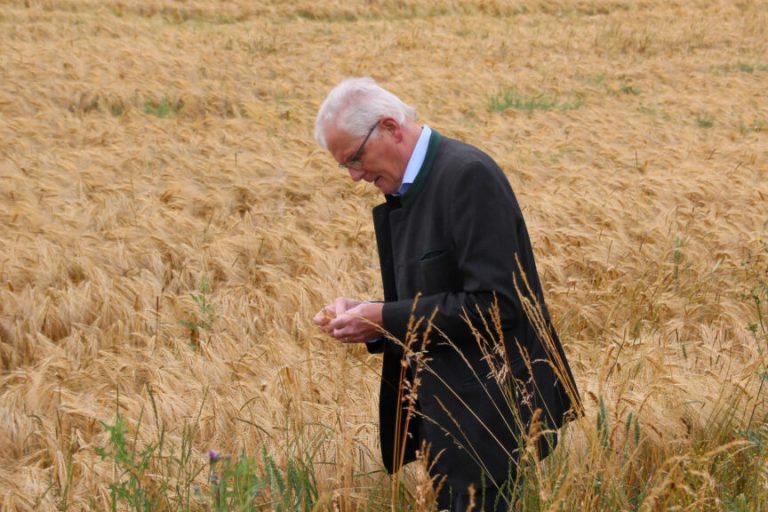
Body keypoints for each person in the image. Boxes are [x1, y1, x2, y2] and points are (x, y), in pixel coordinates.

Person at [312, 77, 580, 511]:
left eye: (356, 158)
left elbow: (498, 306)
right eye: (345, 166)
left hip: (490, 422)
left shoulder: (466, 177)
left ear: (390, 127)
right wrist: (367, 317)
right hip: (448, 420)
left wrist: (382, 317)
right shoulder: (411, 187)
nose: (355, 176)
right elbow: (434, 297)